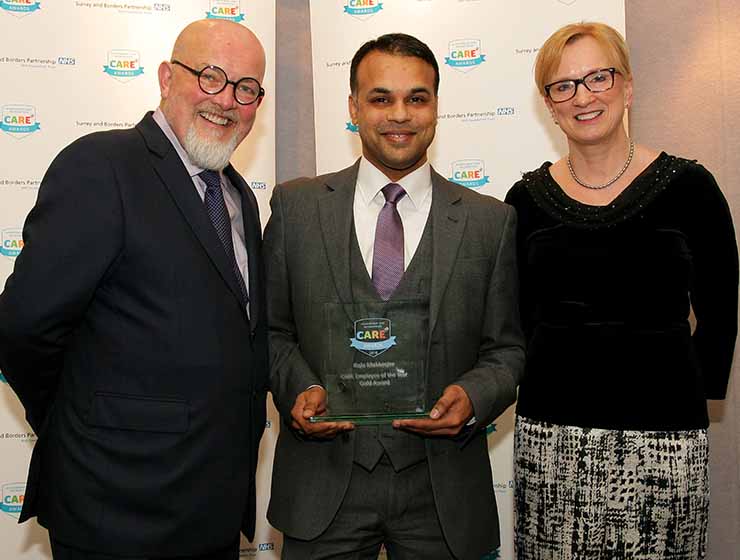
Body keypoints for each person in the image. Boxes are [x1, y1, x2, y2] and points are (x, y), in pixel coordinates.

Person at [0, 19, 269, 560]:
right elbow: (23, 327)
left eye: (246, 89)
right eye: (211, 77)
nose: (227, 101)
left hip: (211, 509)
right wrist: (82, 418)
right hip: (116, 506)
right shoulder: (101, 165)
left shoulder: (240, 195)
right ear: (167, 78)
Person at [264, 33, 525, 560]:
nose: (399, 114)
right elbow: (272, 333)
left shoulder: (489, 221)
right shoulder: (296, 208)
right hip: (324, 486)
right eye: (381, 98)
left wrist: (474, 396)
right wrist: (300, 388)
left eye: (417, 98)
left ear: (436, 107)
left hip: (442, 492)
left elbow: (507, 350)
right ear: (354, 108)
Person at [505, 22, 738, 559]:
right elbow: (513, 322)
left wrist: (682, 397)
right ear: (549, 104)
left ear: (627, 86)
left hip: (664, 443)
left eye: (597, 77)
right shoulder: (524, 199)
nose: (582, 96)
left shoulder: (690, 188)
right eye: (563, 85)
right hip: (552, 441)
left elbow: (720, 311)